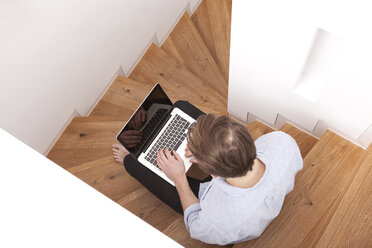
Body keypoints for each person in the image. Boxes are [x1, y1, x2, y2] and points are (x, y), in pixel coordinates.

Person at [112, 101, 303, 245]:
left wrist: (179, 178)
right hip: (250, 183)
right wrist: (209, 151)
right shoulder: (282, 142)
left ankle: (129, 160)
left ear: (213, 174)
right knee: (181, 106)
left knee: (148, 170)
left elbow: (194, 225)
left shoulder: (217, 220)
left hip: (229, 212)